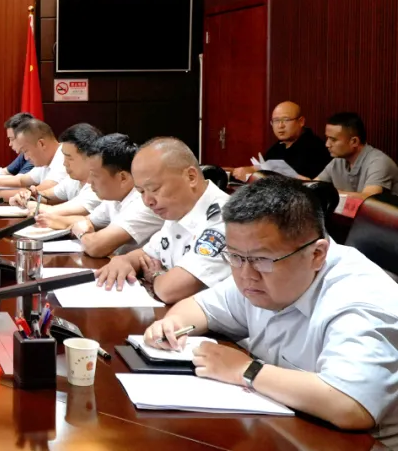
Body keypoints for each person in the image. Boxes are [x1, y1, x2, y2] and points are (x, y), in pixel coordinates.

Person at [144, 177, 398, 445]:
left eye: (261, 259)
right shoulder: (260, 272)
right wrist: (172, 324)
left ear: (316, 255)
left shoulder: (360, 299)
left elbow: (349, 405)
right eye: (234, 257)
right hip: (286, 426)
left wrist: (246, 370)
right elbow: (198, 307)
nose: (246, 275)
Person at [95, 137, 232, 304]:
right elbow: (147, 254)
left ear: (191, 177)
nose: (148, 201)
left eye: (154, 189)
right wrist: (122, 261)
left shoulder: (226, 219)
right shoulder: (178, 207)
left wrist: (155, 275)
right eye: (141, 192)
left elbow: (170, 290)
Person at [70, 134, 164, 258]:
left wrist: (82, 233)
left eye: (95, 175)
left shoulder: (144, 203)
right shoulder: (114, 197)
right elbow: (87, 222)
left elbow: (96, 246)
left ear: (122, 178)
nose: (89, 181)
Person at [10, 124, 102, 229]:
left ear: (90, 158)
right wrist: (28, 196)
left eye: (69, 158)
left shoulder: (100, 187)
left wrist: (29, 203)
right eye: (64, 157)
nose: (64, 163)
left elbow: (51, 211)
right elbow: (46, 196)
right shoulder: (74, 180)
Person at [231, 102, 331, 181]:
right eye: (276, 121)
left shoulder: (315, 148)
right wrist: (247, 170)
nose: (280, 126)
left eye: (286, 120)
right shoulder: (278, 146)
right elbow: (262, 168)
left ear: (301, 121)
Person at [0, 118, 67, 197]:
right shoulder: (46, 160)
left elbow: (39, 192)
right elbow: (21, 180)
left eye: (25, 151)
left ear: (41, 144)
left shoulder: (65, 158)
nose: (26, 158)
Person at [316, 112, 398, 198]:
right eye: (327, 138)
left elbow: (368, 199)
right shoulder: (338, 161)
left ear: (354, 141)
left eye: (333, 139)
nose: (327, 144)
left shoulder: (379, 162)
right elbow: (315, 185)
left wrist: (330, 193)